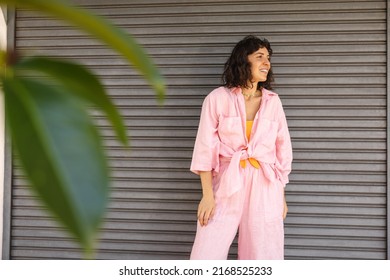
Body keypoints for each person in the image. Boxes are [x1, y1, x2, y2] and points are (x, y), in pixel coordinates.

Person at [189, 35, 292, 260]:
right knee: (207, 251)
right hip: (227, 180)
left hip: (265, 185)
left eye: (268, 58)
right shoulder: (217, 99)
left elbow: (282, 150)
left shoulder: (273, 102)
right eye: (259, 57)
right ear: (243, 61)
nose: (267, 63)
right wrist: (207, 196)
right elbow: (205, 148)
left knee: (264, 253)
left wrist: (280, 196)